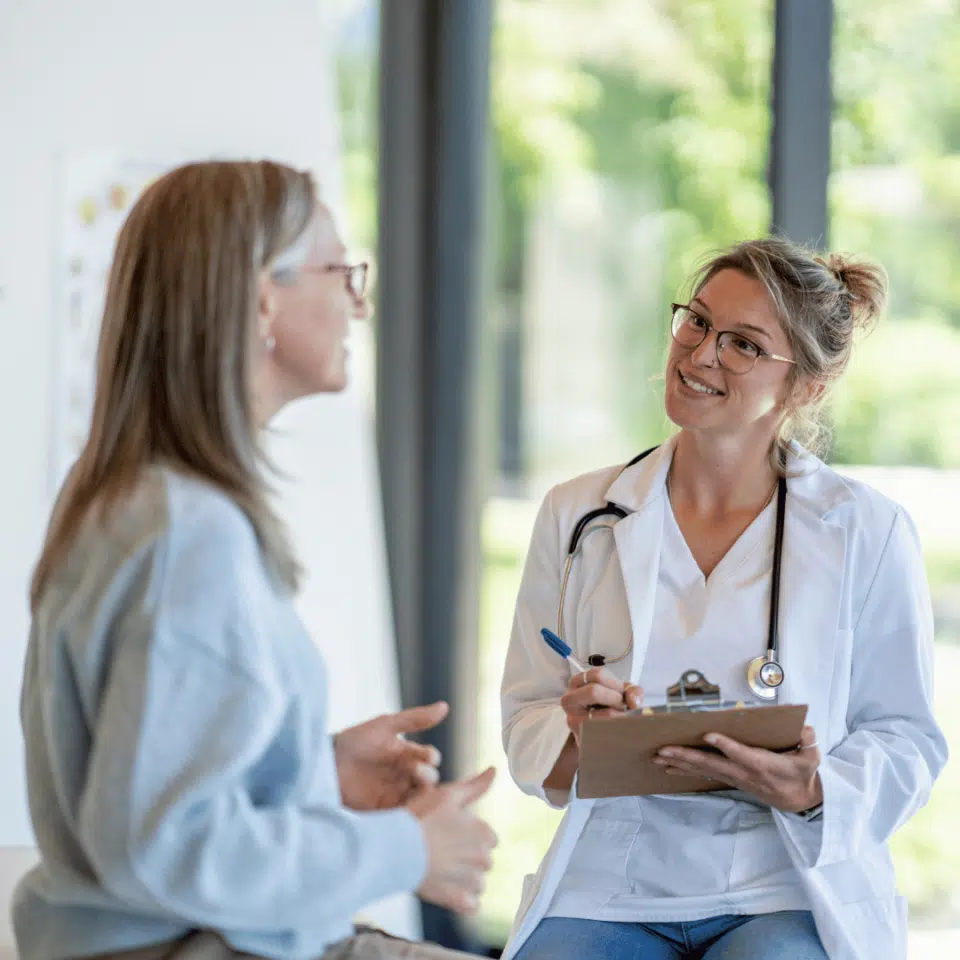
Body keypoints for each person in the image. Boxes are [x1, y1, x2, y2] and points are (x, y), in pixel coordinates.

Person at [16, 160, 497, 960]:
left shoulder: (126, 497)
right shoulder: (189, 533)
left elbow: (149, 783)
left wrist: (309, 771)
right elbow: (161, 845)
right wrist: (406, 850)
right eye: (342, 271)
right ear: (263, 296)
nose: (359, 301)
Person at [499, 238, 948, 960]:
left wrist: (812, 789)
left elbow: (906, 736)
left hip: (784, 885)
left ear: (806, 386)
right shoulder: (577, 515)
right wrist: (578, 735)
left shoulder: (865, 531)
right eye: (698, 322)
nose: (701, 354)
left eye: (742, 344)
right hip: (612, 882)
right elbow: (527, 717)